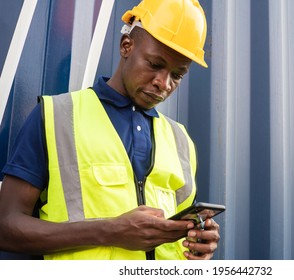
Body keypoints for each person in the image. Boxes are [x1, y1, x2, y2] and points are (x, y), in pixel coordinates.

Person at [0, 0, 220, 260]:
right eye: (155, 64)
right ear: (126, 46)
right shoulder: (56, 116)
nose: (163, 83)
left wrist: (197, 241)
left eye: (177, 75)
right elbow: (6, 228)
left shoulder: (180, 140)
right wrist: (110, 231)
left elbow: (180, 235)